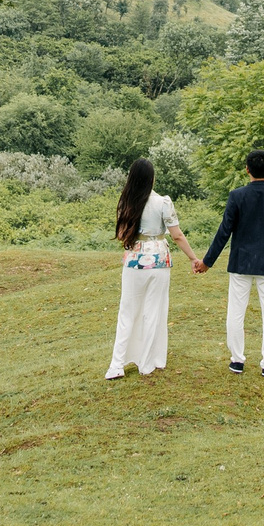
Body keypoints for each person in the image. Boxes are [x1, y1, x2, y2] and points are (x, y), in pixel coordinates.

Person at [194, 148, 264, 378]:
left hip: (241, 262)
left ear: (247, 169)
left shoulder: (237, 196)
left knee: (236, 311)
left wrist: (207, 262)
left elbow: (223, 232)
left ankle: (237, 360)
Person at [106, 157, 195, 380]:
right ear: (152, 178)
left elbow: (121, 234)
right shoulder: (163, 202)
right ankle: (148, 362)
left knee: (127, 312)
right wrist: (194, 258)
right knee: (153, 311)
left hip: (134, 260)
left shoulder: (127, 201)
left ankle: (117, 364)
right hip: (159, 261)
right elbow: (177, 235)